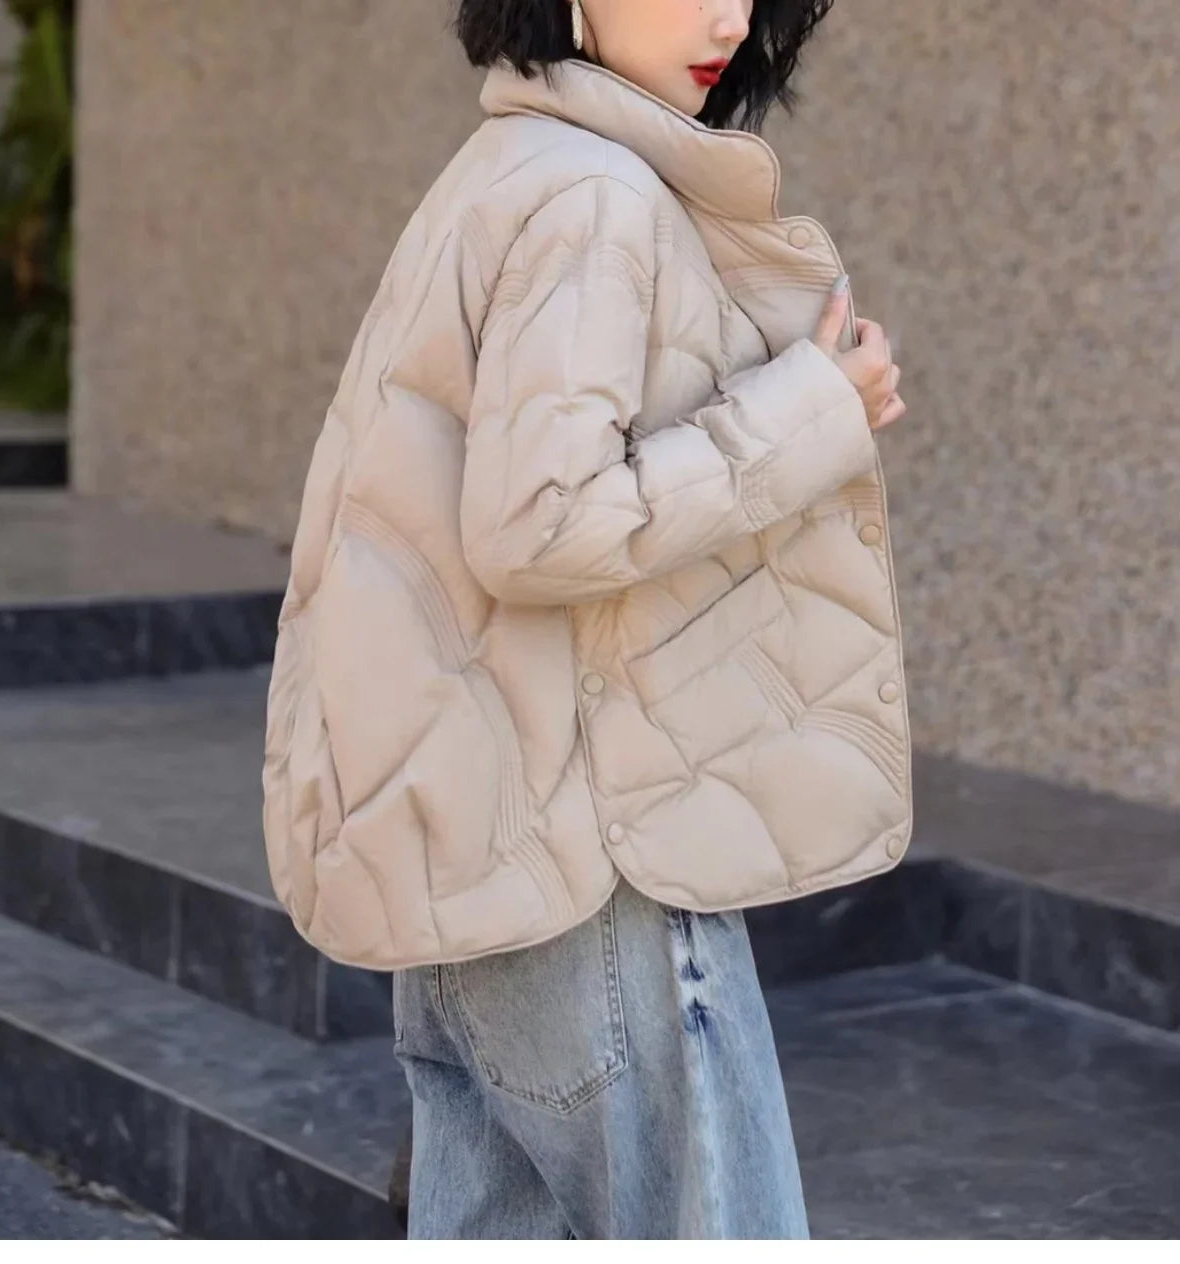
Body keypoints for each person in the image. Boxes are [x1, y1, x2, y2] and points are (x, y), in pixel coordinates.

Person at [261, 0, 911, 1240]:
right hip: (590, 856)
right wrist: (813, 408)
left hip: (481, 833)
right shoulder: (594, 195)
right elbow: (541, 524)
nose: (726, 15)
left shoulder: (505, 165)